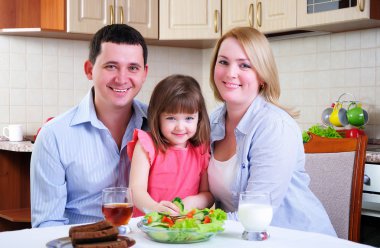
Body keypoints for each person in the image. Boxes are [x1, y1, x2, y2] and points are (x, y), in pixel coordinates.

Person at [207, 26, 336, 236]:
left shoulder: (274, 127)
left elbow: (254, 214)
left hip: (297, 239)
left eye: (244, 65)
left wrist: (195, 222)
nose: (230, 73)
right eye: (223, 62)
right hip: (242, 238)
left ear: (262, 76)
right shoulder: (212, 121)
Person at [30, 24, 149, 227]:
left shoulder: (162, 126)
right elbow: (47, 224)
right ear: (89, 69)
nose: (122, 79)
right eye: (111, 66)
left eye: (133, 68)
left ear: (144, 73)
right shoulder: (54, 136)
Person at [128, 74, 214, 217]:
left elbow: (208, 195)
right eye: (171, 118)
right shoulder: (146, 145)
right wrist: (155, 209)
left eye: (189, 118)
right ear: (158, 117)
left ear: (199, 118)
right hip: (148, 226)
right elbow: (136, 191)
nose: (180, 127)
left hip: (184, 227)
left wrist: (195, 201)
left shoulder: (201, 150)